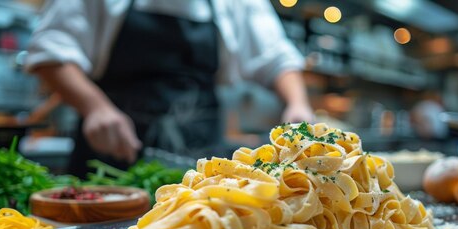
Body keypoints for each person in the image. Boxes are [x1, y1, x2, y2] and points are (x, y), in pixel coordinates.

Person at [26, 0, 314, 177]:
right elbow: (49, 51)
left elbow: (277, 57)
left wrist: (298, 104)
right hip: (109, 161)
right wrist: (95, 107)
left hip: (200, 163)